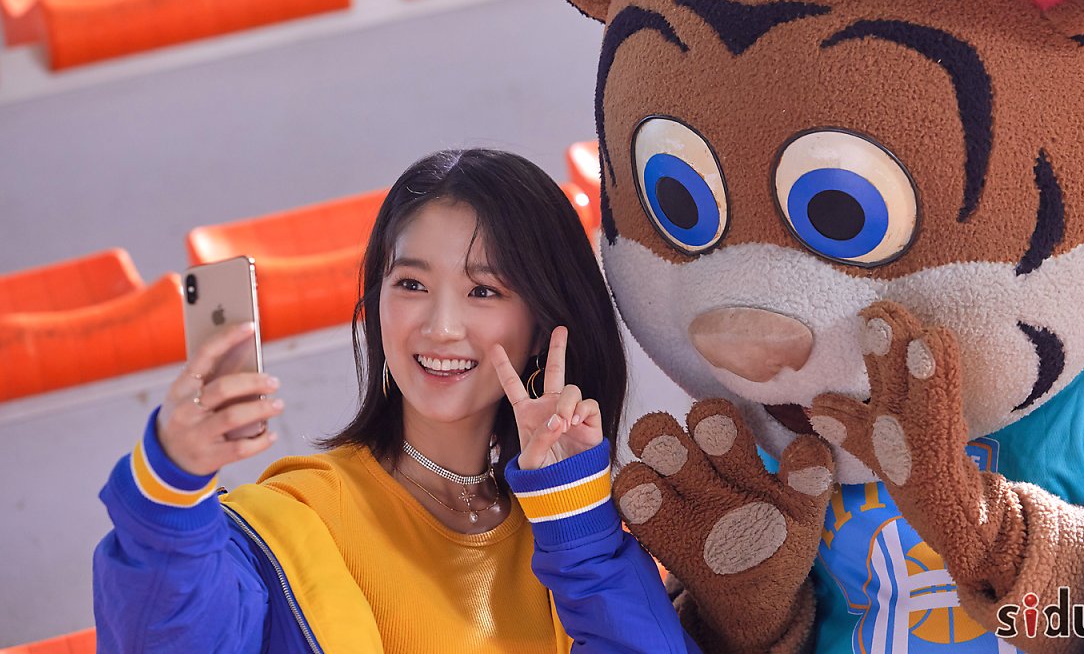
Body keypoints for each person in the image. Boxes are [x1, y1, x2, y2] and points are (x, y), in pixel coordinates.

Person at [93, 149, 699, 653]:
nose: (440, 327)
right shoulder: (294, 517)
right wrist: (171, 483)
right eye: (411, 284)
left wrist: (577, 520)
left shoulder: (566, 533)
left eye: (483, 290)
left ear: (542, 324)